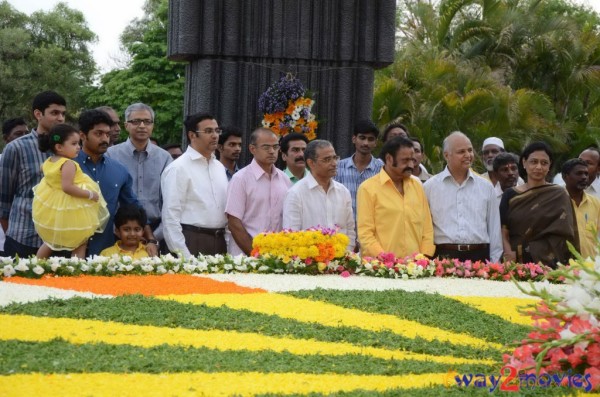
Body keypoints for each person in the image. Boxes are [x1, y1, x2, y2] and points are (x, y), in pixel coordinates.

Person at [75, 109, 154, 256]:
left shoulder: (119, 171)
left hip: (104, 252)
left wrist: (151, 239)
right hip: (67, 250)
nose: (105, 139)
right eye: (98, 134)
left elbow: (133, 206)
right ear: (82, 135)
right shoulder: (66, 166)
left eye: (107, 134)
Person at [0, 91, 66, 257]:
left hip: (59, 239)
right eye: (54, 113)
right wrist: (12, 233)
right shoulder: (16, 148)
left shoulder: (69, 148)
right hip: (23, 237)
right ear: (38, 114)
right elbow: (4, 199)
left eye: (63, 114)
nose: (60, 118)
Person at [32, 123, 109, 258]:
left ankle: (37, 264)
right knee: (81, 242)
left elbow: (43, 171)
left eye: (78, 143)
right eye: (74, 144)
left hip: (55, 208)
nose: (78, 147)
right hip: (72, 208)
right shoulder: (68, 163)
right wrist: (90, 194)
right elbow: (67, 187)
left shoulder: (49, 161)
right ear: (59, 147)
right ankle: (76, 271)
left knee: (50, 242)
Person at [424, 131, 502, 262]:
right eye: (461, 152)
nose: (468, 155)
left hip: (479, 257)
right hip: (443, 257)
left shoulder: (486, 187)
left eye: (470, 150)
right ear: (446, 155)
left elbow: (494, 230)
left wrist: (495, 264)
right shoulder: (430, 187)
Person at [500, 141, 578, 267]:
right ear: (524, 162)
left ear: (549, 165)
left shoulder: (559, 194)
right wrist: (509, 253)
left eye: (544, 163)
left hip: (549, 265)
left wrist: (529, 252)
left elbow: (565, 234)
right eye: (534, 161)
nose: (538, 167)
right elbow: (503, 231)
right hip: (515, 264)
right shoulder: (510, 194)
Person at [161, 112, 228, 257]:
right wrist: (184, 256)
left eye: (217, 131)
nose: (215, 136)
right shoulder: (178, 168)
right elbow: (170, 216)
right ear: (192, 135)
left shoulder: (219, 167)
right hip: (191, 240)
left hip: (220, 241)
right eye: (208, 131)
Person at [106, 103, 172, 249]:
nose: (142, 126)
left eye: (147, 122)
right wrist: (119, 232)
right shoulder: (111, 155)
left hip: (156, 231)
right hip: (118, 232)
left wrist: (154, 237)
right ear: (126, 125)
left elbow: (170, 201)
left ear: (152, 125)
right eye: (136, 121)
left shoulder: (165, 158)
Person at [358, 137, 434, 258]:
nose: (411, 165)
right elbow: (365, 234)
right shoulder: (368, 188)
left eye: (412, 160)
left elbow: (427, 229)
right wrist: (387, 260)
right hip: (380, 270)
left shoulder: (417, 186)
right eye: (405, 161)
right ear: (389, 159)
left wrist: (424, 257)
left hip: (416, 269)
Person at [226, 128, 292, 255]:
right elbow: (234, 223)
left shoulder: (284, 179)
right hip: (245, 257)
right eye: (266, 147)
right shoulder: (240, 179)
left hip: (277, 257)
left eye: (275, 147)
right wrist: (255, 254)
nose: (272, 151)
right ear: (252, 149)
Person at [283, 140, 355, 250]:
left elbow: (349, 230)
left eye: (335, 158)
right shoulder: (296, 193)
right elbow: (291, 235)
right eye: (327, 159)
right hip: (309, 263)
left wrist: (345, 258)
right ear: (311, 163)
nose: (334, 163)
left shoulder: (343, 191)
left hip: (342, 262)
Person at [335, 119, 384, 220]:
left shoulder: (382, 169)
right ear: (354, 139)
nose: (366, 143)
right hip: (344, 229)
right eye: (362, 138)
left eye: (370, 139)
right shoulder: (339, 167)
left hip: (373, 230)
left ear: (375, 143)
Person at [0, 118, 29, 255]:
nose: (24, 138)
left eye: (26, 133)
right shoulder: (3, 161)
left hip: (19, 235)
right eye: (18, 134)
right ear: (6, 138)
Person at [562, 158, 600, 259]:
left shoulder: (596, 203)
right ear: (566, 177)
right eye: (579, 173)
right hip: (563, 267)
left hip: (589, 268)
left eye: (586, 174)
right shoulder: (555, 202)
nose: (584, 177)